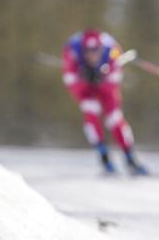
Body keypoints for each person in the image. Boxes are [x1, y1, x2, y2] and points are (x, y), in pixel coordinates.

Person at [62, 29, 147, 175]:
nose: (92, 55)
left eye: (95, 51)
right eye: (88, 51)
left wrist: (101, 80)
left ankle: (130, 158)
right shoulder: (72, 51)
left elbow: (115, 80)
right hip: (86, 90)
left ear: (101, 48)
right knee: (91, 112)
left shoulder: (112, 50)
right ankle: (104, 157)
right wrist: (84, 80)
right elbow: (70, 81)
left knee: (114, 119)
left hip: (106, 88)